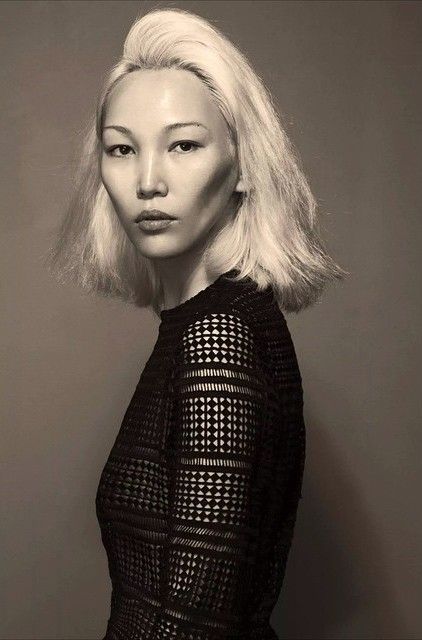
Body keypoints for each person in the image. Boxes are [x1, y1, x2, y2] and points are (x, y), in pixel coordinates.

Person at [48, 6, 347, 639]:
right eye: (122, 149)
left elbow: (191, 626)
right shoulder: (212, 323)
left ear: (244, 165)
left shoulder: (218, 341)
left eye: (183, 144)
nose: (147, 181)